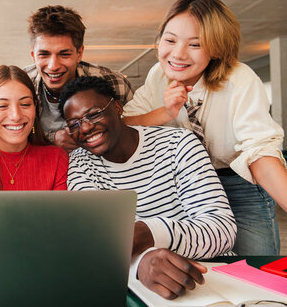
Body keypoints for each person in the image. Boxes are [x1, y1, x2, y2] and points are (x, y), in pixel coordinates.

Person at [122, 0, 286, 255]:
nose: (177, 54)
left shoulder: (240, 80)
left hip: (236, 183)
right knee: (198, 265)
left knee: (256, 267)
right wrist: (164, 112)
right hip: (184, 183)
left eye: (195, 44)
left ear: (217, 48)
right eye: (170, 40)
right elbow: (126, 124)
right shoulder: (158, 75)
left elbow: (260, 154)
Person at [59, 76, 236, 300]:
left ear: (116, 107)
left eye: (93, 114)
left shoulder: (179, 144)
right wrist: (140, 262)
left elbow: (221, 230)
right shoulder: (81, 163)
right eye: (73, 124)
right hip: (135, 284)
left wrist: (147, 233)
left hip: (210, 277)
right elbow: (98, 243)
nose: (84, 128)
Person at [23, 5, 134, 152]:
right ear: (33, 55)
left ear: (79, 53)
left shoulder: (114, 83)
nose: (53, 66)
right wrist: (51, 138)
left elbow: (132, 130)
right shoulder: (22, 86)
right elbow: (15, 131)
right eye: (44, 54)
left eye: (64, 54)